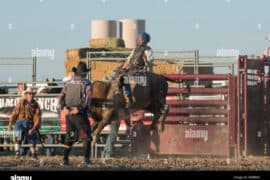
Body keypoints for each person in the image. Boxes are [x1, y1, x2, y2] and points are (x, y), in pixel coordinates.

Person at [59, 61, 92, 166]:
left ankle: (65, 159)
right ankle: (86, 160)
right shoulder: (87, 83)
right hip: (79, 115)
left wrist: (63, 107)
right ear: (84, 73)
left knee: (70, 136)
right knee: (85, 136)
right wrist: (80, 109)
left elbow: (61, 96)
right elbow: (88, 99)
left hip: (69, 115)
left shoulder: (68, 82)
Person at [7, 88, 41, 159]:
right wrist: (10, 124)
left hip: (29, 122)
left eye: (32, 94)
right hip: (20, 121)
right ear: (26, 95)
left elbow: (37, 118)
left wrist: (33, 128)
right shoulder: (21, 102)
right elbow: (14, 113)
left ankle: (33, 154)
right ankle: (17, 153)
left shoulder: (35, 105)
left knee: (31, 137)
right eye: (29, 93)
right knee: (18, 135)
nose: (31, 95)